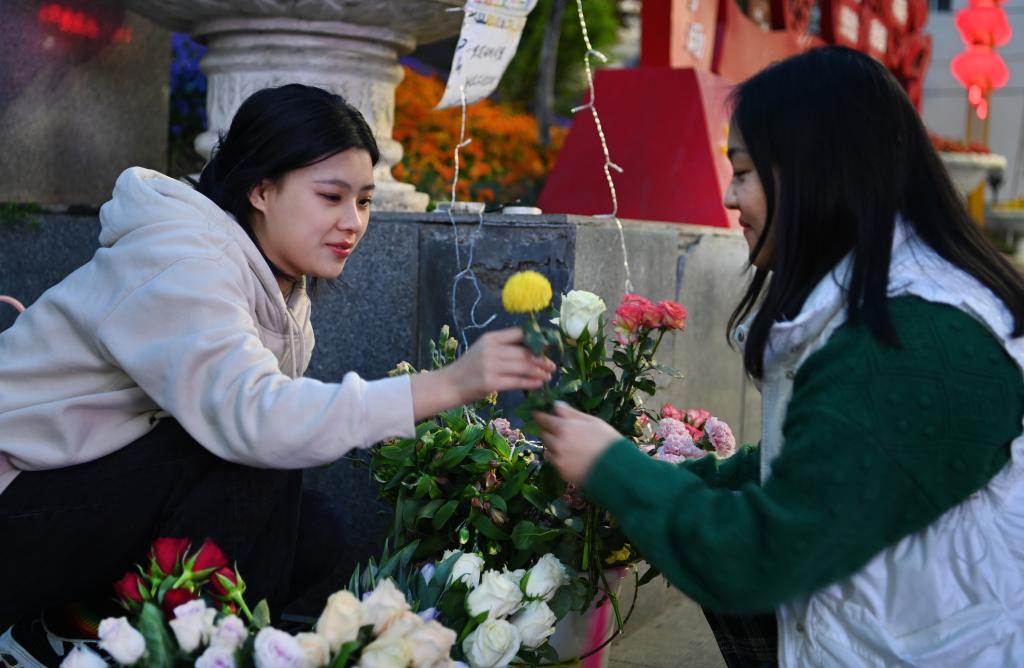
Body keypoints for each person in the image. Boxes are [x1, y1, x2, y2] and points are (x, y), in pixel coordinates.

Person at [0, 84, 553, 657]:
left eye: (363, 200)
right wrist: (449, 384)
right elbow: (257, 422)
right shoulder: (183, 261)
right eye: (330, 197)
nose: (353, 223)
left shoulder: (278, 284)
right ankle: (212, 652)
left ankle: (69, 627)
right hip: (14, 508)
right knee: (252, 465)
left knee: (311, 530)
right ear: (261, 189)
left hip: (66, 500)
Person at [538, 46, 1024, 667]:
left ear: (815, 171)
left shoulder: (911, 341)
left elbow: (759, 558)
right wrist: (658, 477)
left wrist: (613, 467)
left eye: (742, 172)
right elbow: (818, 464)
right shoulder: (886, 305)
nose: (731, 198)